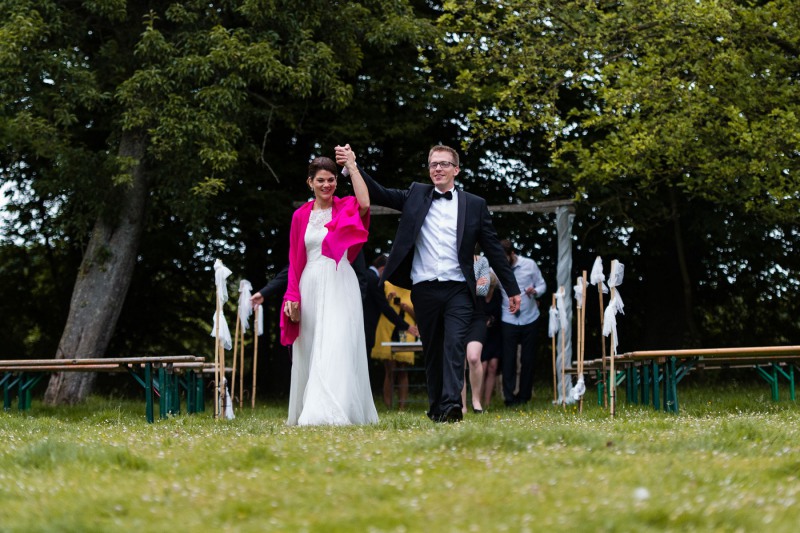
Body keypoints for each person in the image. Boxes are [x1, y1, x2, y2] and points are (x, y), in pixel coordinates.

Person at [336, 143, 521, 423]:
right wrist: (352, 166)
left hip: (459, 287)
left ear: (456, 170)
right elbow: (379, 193)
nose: (437, 168)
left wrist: (512, 289)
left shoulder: (474, 204)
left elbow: (494, 249)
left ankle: (450, 406)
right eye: (433, 164)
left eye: (444, 164)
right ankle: (437, 406)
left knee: (455, 344)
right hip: (423, 288)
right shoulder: (416, 194)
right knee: (433, 349)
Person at [280, 153, 378, 426]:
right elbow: (294, 258)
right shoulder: (300, 216)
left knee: (337, 343)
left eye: (331, 180)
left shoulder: (345, 206)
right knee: (312, 347)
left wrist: (351, 166)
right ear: (310, 183)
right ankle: (309, 407)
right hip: (309, 282)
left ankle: (333, 411)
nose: (326, 185)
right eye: (320, 180)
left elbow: (366, 202)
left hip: (340, 281)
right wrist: (292, 295)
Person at [498, 239, 547, 406]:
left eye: (505, 258)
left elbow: (542, 285)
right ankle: (509, 398)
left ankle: (524, 396)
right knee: (508, 360)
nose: (503, 261)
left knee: (528, 360)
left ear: (512, 254)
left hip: (530, 317)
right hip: (508, 318)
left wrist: (536, 291)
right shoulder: (496, 267)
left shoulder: (530, 265)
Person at [371, 281, 419, 408]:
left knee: (403, 369)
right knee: (389, 369)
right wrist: (388, 299)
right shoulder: (386, 284)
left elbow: (418, 316)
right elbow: (380, 306)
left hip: (407, 330)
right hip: (388, 328)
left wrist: (407, 309)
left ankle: (402, 407)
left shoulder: (412, 288)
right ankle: (388, 406)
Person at [461, 247, 491, 414]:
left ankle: (476, 401)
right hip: (456, 315)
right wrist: (474, 283)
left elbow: (484, 290)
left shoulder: (482, 261)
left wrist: (466, 285)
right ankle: (462, 405)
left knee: (473, 357)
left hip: (477, 316)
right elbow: (452, 289)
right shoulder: (454, 261)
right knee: (459, 361)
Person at [481, 271, 504, 407]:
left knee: (493, 367)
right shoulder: (478, 296)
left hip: (495, 334)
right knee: (482, 367)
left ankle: (487, 403)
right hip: (481, 335)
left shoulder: (498, 295)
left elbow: (501, 312)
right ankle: (477, 399)